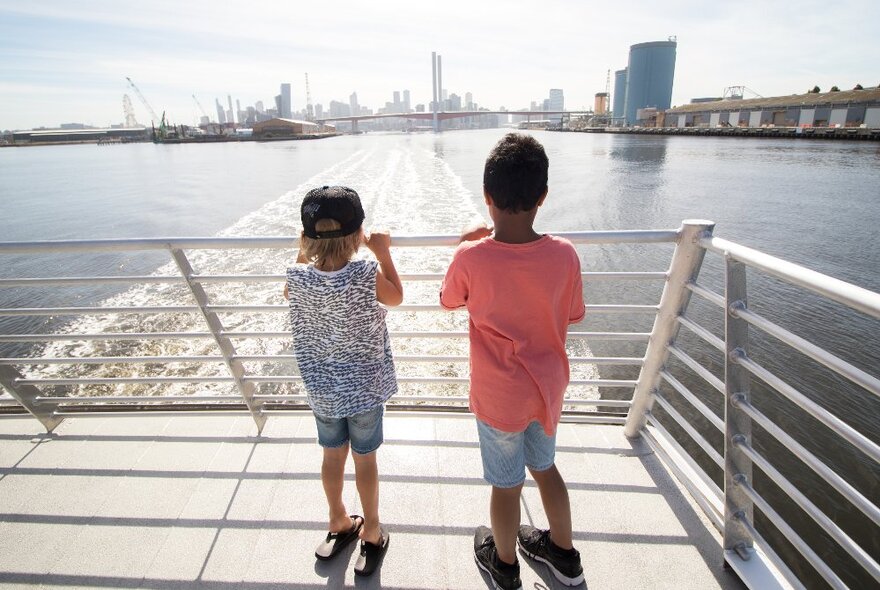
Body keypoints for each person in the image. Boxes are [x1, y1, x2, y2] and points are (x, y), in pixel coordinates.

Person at [440, 134, 586, 590]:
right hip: (547, 391)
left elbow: (449, 301)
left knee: (506, 486)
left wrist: (467, 246)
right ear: (542, 197)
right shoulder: (564, 254)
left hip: (500, 395)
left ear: (487, 198)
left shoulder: (471, 257)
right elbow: (573, 313)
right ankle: (564, 556)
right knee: (545, 469)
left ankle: (504, 566)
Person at [284, 185, 403, 577]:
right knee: (364, 459)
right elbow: (396, 297)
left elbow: (291, 285)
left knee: (332, 454)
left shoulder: (296, 279)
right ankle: (370, 530)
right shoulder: (367, 274)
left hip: (323, 390)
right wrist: (382, 252)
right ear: (358, 235)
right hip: (364, 390)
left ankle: (337, 520)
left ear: (306, 238)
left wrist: (306, 250)